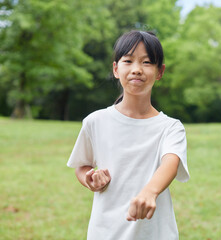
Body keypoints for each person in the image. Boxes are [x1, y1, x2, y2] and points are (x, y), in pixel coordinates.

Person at [67, 30, 189, 240]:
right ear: (116, 69)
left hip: (155, 233)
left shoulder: (170, 127)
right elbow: (82, 165)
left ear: (160, 71)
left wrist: (150, 192)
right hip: (105, 232)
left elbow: (170, 162)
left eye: (147, 62)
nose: (137, 70)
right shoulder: (95, 122)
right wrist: (90, 180)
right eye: (128, 61)